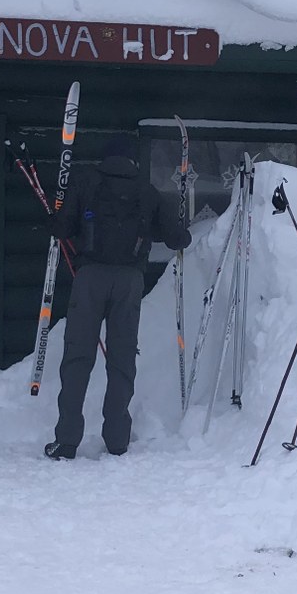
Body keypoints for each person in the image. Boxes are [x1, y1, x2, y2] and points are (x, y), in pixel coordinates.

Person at [45, 134, 190, 461]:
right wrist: (181, 228)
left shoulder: (85, 183)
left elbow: (62, 228)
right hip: (129, 281)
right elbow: (176, 238)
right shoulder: (146, 191)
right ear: (133, 162)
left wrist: (55, 217)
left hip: (90, 278)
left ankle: (67, 440)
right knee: (122, 358)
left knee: (78, 358)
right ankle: (117, 440)